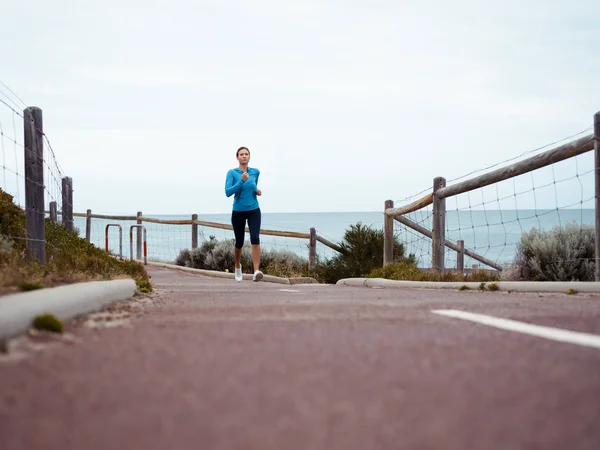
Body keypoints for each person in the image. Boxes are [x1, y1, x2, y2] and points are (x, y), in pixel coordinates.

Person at [225, 146, 263, 282]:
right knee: (239, 242)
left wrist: (256, 190)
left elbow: (252, 186)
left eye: (246, 154)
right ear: (237, 157)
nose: (244, 156)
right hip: (238, 211)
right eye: (241, 154)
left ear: (249, 157)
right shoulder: (232, 173)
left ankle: (256, 271)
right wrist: (241, 180)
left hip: (254, 209)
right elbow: (228, 192)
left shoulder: (255, 172)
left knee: (255, 238)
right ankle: (237, 266)